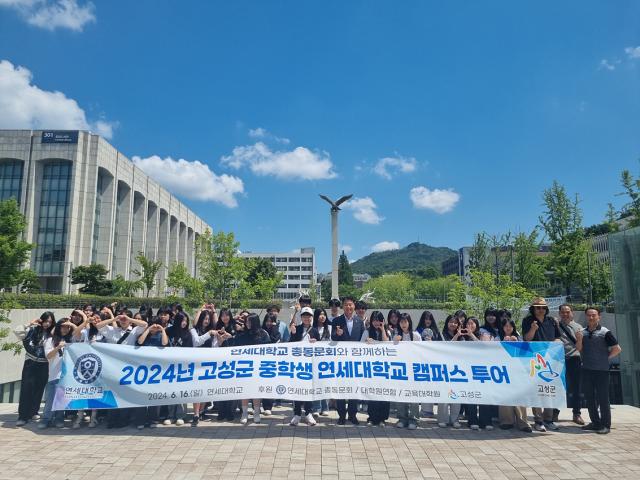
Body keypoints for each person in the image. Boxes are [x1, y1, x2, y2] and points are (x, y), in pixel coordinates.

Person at [576, 307, 621, 435]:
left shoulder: (605, 332)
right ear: (586, 316)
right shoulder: (582, 332)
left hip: (602, 371)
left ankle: (606, 424)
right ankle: (595, 422)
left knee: (603, 398)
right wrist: (579, 339)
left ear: (598, 317)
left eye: (594, 315)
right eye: (589, 315)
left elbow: (617, 349)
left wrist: (606, 358)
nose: (591, 317)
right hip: (587, 369)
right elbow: (578, 349)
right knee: (589, 397)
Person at [521, 297, 561, 432]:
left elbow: (557, 337)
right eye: (538, 307)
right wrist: (533, 329)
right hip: (535, 360)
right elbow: (527, 339)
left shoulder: (552, 321)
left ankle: (548, 419)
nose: (541, 310)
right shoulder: (528, 321)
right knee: (537, 390)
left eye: (543, 307)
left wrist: (556, 342)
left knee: (550, 390)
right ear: (533, 309)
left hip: (551, 360)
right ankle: (538, 420)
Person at [14, 311, 55, 427]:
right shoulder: (32, 330)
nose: (47, 324)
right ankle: (23, 416)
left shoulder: (51, 334)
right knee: (27, 388)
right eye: (46, 321)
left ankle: (33, 412)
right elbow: (17, 332)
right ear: (41, 320)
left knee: (39, 388)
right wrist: (29, 324)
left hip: (44, 364)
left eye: (50, 322)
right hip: (30, 362)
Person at [229, 313, 271, 425]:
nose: (247, 324)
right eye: (246, 321)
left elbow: (269, 350)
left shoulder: (263, 334)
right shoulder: (242, 334)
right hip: (245, 368)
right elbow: (235, 348)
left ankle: (256, 412)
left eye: (249, 322)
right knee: (245, 391)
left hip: (258, 368)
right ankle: (244, 413)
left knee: (256, 391)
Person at [331, 296, 365, 425]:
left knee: (354, 389)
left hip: (355, 361)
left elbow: (362, 339)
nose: (348, 307)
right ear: (343, 307)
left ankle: (352, 415)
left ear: (354, 306)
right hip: (341, 360)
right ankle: (341, 415)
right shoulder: (337, 321)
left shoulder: (359, 321)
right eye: (346, 305)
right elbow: (332, 339)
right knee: (341, 389)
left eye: (350, 305)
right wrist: (337, 334)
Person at [38, 318, 77, 429]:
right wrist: (58, 347)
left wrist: (72, 324)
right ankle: (46, 419)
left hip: (67, 375)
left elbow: (79, 334)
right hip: (54, 374)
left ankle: (59, 419)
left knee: (61, 399)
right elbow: (48, 356)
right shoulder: (50, 340)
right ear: (58, 327)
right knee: (50, 399)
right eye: (63, 326)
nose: (65, 329)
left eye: (67, 327)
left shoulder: (71, 340)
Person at [497, 319, 532, 433]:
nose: (508, 328)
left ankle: (523, 422)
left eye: (510, 326)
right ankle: (506, 421)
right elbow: (492, 352)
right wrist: (503, 342)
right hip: (502, 371)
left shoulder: (519, 338)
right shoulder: (498, 338)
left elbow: (526, 353)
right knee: (505, 395)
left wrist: (517, 343)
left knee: (520, 396)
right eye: (505, 326)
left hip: (518, 371)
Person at [289, 307, 320, 426]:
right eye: (304, 316)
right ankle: (297, 414)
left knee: (309, 389)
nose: (306, 318)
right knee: (297, 389)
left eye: (309, 316)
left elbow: (319, 348)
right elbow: (291, 345)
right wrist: (293, 334)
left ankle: (308, 413)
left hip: (310, 364)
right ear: (301, 317)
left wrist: (315, 342)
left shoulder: (315, 330)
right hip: (298, 364)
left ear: (312, 317)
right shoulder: (296, 329)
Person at [556, 304, 584, 425]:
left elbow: (582, 346)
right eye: (563, 312)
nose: (565, 314)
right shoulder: (555, 325)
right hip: (558, 359)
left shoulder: (579, 327)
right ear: (559, 313)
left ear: (572, 312)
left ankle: (577, 413)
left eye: (567, 312)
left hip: (574, 358)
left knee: (576, 387)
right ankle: (554, 412)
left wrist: (579, 340)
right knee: (557, 386)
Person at [462, 317, 493, 431]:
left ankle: (486, 420)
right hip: (467, 370)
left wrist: (472, 335)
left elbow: (484, 347)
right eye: (468, 323)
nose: (470, 325)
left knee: (484, 395)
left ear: (476, 325)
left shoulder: (483, 334)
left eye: (472, 323)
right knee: (472, 395)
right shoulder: (462, 336)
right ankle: (472, 420)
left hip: (482, 370)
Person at [361, 311, 390, 426]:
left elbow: (388, 344)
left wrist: (383, 330)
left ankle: (382, 418)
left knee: (383, 393)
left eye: (379, 320)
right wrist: (366, 343)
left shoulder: (387, 331)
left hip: (384, 367)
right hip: (371, 367)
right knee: (373, 393)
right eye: (374, 320)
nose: (376, 322)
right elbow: (359, 347)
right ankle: (372, 417)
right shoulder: (367, 332)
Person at [393, 313, 421, 430]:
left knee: (413, 395)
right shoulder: (396, 335)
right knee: (401, 394)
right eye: (401, 322)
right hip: (400, 369)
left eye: (405, 322)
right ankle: (402, 418)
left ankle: (413, 419)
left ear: (409, 322)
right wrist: (395, 342)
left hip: (413, 369)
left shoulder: (415, 335)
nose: (403, 324)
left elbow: (421, 351)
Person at [437, 315, 462, 428]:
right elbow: (447, 348)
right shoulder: (441, 335)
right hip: (444, 370)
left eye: (455, 322)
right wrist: (457, 335)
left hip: (458, 370)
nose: (453, 324)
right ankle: (442, 418)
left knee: (456, 395)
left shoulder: (462, 337)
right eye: (451, 322)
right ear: (447, 323)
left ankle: (455, 419)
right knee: (444, 395)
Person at [416, 310, 440, 418]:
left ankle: (430, 410)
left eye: (429, 319)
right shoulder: (417, 331)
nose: (428, 321)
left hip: (433, 363)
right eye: (426, 318)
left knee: (431, 386)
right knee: (423, 386)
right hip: (421, 361)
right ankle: (425, 409)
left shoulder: (436, 332)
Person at [312, 307, 332, 416]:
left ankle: (325, 407)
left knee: (325, 384)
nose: (322, 316)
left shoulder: (330, 327)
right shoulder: (312, 328)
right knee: (315, 384)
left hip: (326, 361)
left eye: (324, 314)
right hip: (314, 360)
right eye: (320, 314)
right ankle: (316, 407)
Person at [261, 312, 281, 416]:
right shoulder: (260, 331)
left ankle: (268, 407)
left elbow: (274, 340)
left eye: (271, 321)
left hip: (271, 362)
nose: (268, 323)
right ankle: (257, 405)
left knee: (269, 384)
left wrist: (274, 328)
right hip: (260, 361)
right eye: (267, 321)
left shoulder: (276, 331)